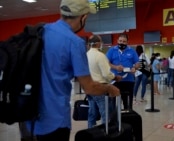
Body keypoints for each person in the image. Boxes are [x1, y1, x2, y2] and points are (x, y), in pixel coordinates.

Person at [25, 0, 120, 141]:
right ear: (83, 17)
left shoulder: (41, 31)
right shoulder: (74, 42)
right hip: (55, 118)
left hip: (29, 114)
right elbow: (89, 87)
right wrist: (110, 88)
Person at [86, 35, 122, 128]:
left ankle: (91, 131)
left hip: (89, 87)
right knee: (105, 113)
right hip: (100, 87)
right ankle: (104, 134)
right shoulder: (100, 55)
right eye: (101, 42)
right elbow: (106, 74)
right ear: (97, 43)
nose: (102, 44)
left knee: (92, 113)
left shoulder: (86, 55)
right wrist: (115, 77)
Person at [106, 33, 139, 110]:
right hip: (115, 80)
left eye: (124, 41)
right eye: (120, 41)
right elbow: (106, 62)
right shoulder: (112, 50)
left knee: (127, 101)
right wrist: (115, 67)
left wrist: (135, 68)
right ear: (117, 41)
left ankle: (128, 115)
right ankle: (114, 118)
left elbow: (137, 63)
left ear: (127, 42)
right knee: (113, 101)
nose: (122, 43)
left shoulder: (132, 51)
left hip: (129, 80)